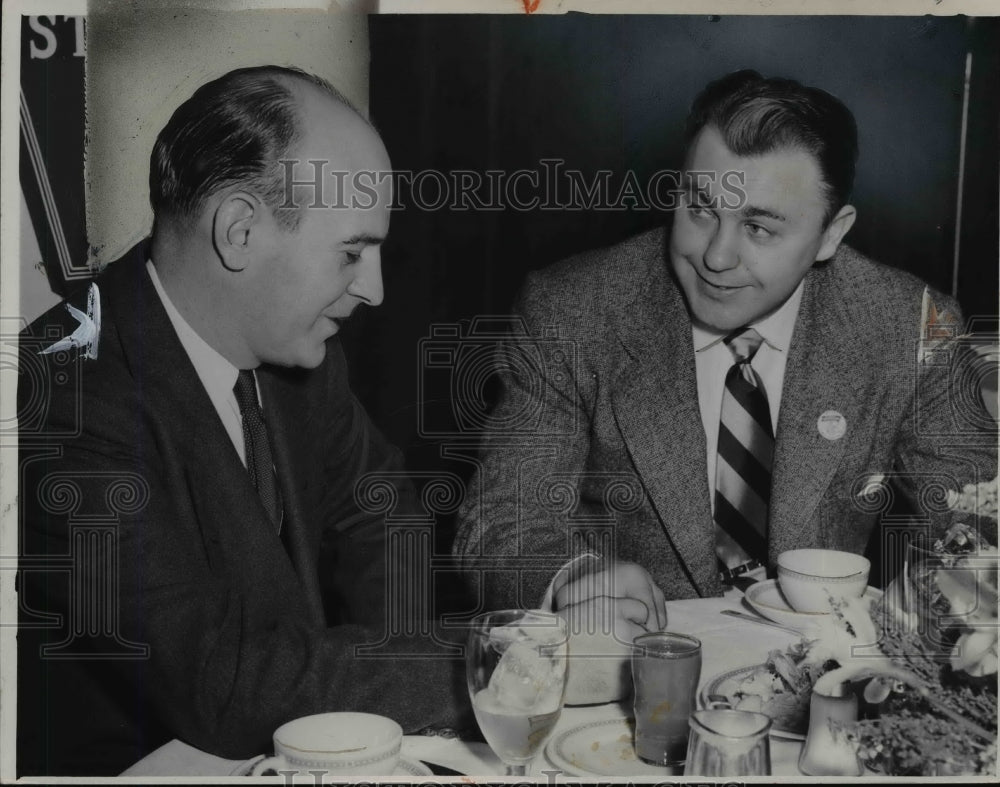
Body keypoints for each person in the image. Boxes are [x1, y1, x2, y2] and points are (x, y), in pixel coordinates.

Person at [453, 70, 997, 683]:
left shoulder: (912, 327)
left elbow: (974, 519)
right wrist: (573, 579)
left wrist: (929, 616)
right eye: (700, 208)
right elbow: (502, 519)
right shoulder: (571, 310)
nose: (715, 255)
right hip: (628, 690)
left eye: (759, 228)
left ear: (831, 235)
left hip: (827, 688)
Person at [17, 66, 467, 776]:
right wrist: (486, 666)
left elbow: (382, 517)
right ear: (240, 231)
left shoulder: (301, 352)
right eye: (352, 252)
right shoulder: (60, 395)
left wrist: (386, 696)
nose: (373, 291)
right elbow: (220, 683)